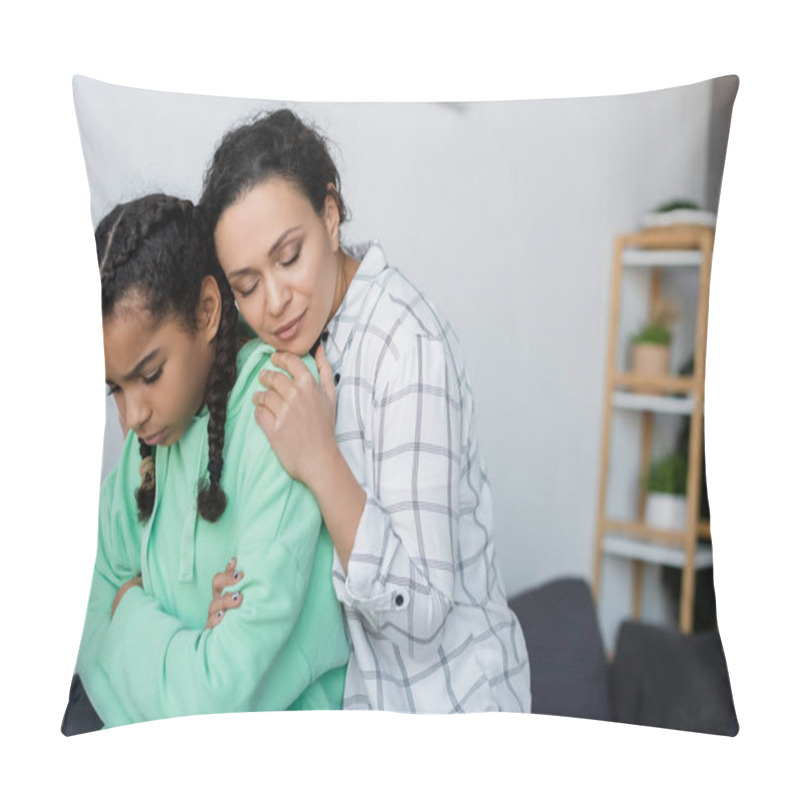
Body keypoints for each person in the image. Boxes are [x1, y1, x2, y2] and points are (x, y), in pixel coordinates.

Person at [200, 109, 531, 713]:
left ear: (330, 216)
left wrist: (322, 462)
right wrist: (239, 586)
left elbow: (423, 609)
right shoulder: (294, 352)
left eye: (289, 256)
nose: (274, 302)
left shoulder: (405, 344)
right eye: (246, 285)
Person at [63, 194, 349, 734]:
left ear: (207, 311)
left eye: (150, 375)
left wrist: (130, 606)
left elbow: (216, 699)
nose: (133, 415)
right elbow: (80, 603)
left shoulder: (277, 412)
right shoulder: (148, 443)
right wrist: (194, 639)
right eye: (115, 389)